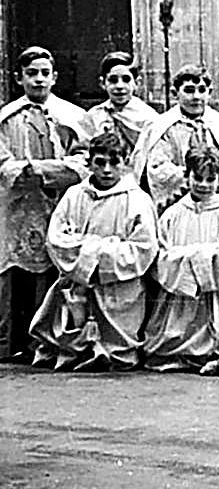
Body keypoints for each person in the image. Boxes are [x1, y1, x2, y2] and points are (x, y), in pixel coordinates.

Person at [29, 132, 157, 371]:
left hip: (117, 286)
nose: (107, 170)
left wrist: (97, 257)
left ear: (125, 162)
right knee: (72, 324)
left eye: (114, 163)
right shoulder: (74, 195)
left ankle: (112, 351)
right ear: (89, 163)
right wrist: (88, 258)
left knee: (117, 351)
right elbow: (56, 239)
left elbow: (144, 248)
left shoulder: (137, 200)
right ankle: (75, 350)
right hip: (78, 283)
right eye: (100, 162)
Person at [142, 145, 219, 375]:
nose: (204, 185)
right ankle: (184, 354)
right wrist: (187, 263)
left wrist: (211, 262)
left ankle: (216, 354)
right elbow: (159, 256)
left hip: (218, 292)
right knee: (170, 342)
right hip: (181, 295)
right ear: (187, 177)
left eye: (210, 179)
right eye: (197, 178)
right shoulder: (173, 214)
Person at [0, 45, 88, 361]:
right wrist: (23, 172)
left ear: (54, 77)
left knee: (53, 268)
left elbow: (84, 160)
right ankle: (8, 342)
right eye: (31, 74)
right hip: (18, 205)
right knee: (13, 269)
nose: (38, 80)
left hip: (58, 202)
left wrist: (44, 171)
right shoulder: (6, 118)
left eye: (44, 73)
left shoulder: (72, 116)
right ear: (19, 78)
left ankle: (48, 342)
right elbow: (3, 163)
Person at [133, 64, 219, 213]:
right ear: (175, 93)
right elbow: (158, 168)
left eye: (202, 90)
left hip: (215, 198)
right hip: (179, 203)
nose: (196, 97)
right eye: (189, 90)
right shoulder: (165, 126)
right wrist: (193, 176)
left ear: (209, 92)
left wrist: (217, 177)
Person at [81, 51, 157, 154]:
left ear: (137, 83)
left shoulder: (149, 117)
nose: (119, 86)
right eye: (113, 80)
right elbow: (83, 149)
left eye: (126, 79)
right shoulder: (94, 116)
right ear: (103, 83)